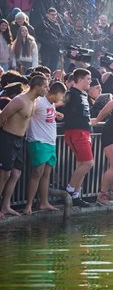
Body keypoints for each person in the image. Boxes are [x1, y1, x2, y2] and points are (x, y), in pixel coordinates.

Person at [0, 75, 48, 217]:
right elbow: (3, 116)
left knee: (16, 174)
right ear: (37, 87)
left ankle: (5, 206)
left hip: (20, 140)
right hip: (8, 137)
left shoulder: (34, 101)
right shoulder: (20, 100)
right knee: (4, 174)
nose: (47, 89)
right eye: (45, 86)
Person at [24, 80, 67, 215]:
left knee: (46, 174)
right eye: (62, 95)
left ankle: (44, 202)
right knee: (37, 173)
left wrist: (56, 114)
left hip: (50, 142)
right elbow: (28, 114)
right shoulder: (39, 101)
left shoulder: (51, 104)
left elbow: (45, 115)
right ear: (56, 93)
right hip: (38, 140)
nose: (62, 99)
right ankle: (29, 204)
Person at [63, 68, 95, 207]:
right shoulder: (70, 93)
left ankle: (76, 195)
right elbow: (58, 103)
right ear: (80, 79)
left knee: (82, 165)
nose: (90, 81)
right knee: (89, 164)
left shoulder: (83, 94)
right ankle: (69, 190)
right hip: (75, 133)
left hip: (85, 133)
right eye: (88, 79)